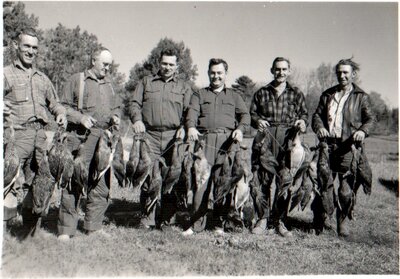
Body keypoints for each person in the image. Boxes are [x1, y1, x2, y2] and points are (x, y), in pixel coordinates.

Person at [3, 28, 67, 235]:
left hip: (40, 137)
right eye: (26, 46)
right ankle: (3, 233)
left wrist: (60, 112)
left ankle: (29, 233)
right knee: (7, 182)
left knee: (37, 183)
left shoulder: (43, 78)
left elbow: (55, 102)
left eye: (34, 47)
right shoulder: (5, 73)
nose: (30, 51)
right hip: (15, 135)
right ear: (16, 46)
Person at [57, 47, 122, 240]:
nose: (107, 68)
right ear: (94, 60)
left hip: (104, 137)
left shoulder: (110, 85)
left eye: (110, 65)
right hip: (81, 137)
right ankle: (66, 230)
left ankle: (93, 226)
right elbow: (63, 107)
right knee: (74, 181)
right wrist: (80, 118)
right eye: (105, 64)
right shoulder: (77, 80)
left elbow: (117, 106)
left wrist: (116, 117)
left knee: (100, 182)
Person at [128, 48, 193, 230]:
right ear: (159, 63)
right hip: (150, 135)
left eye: (171, 64)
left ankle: (166, 219)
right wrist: (137, 120)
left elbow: (190, 112)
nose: (167, 67)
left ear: (177, 66)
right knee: (148, 174)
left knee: (171, 176)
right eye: (164, 63)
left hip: (174, 137)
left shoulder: (183, 87)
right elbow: (134, 103)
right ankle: (147, 218)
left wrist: (183, 128)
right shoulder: (146, 82)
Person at [184, 58, 250, 236]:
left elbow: (245, 116)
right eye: (213, 72)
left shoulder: (234, 96)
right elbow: (192, 113)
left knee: (223, 183)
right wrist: (190, 127)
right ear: (208, 73)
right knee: (201, 183)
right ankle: (196, 224)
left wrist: (240, 130)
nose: (216, 76)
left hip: (227, 142)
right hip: (204, 141)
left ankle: (220, 224)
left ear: (225, 74)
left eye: (219, 73)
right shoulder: (199, 94)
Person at [312, 58, 375, 237]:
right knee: (324, 184)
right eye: (339, 72)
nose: (342, 75)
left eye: (346, 72)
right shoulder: (327, 94)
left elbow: (371, 119)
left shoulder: (361, 97)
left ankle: (342, 223)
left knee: (346, 188)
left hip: (349, 148)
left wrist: (363, 131)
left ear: (353, 74)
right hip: (327, 146)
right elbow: (316, 116)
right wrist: (320, 128)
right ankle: (319, 220)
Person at [249, 57, 308, 236]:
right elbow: (252, 114)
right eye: (277, 69)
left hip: (288, 139)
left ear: (289, 71)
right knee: (262, 179)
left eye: (284, 69)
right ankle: (262, 218)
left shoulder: (296, 93)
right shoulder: (262, 93)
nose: (280, 73)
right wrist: (258, 121)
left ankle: (280, 221)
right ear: (272, 70)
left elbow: (304, 115)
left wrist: (302, 123)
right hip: (266, 138)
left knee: (285, 181)